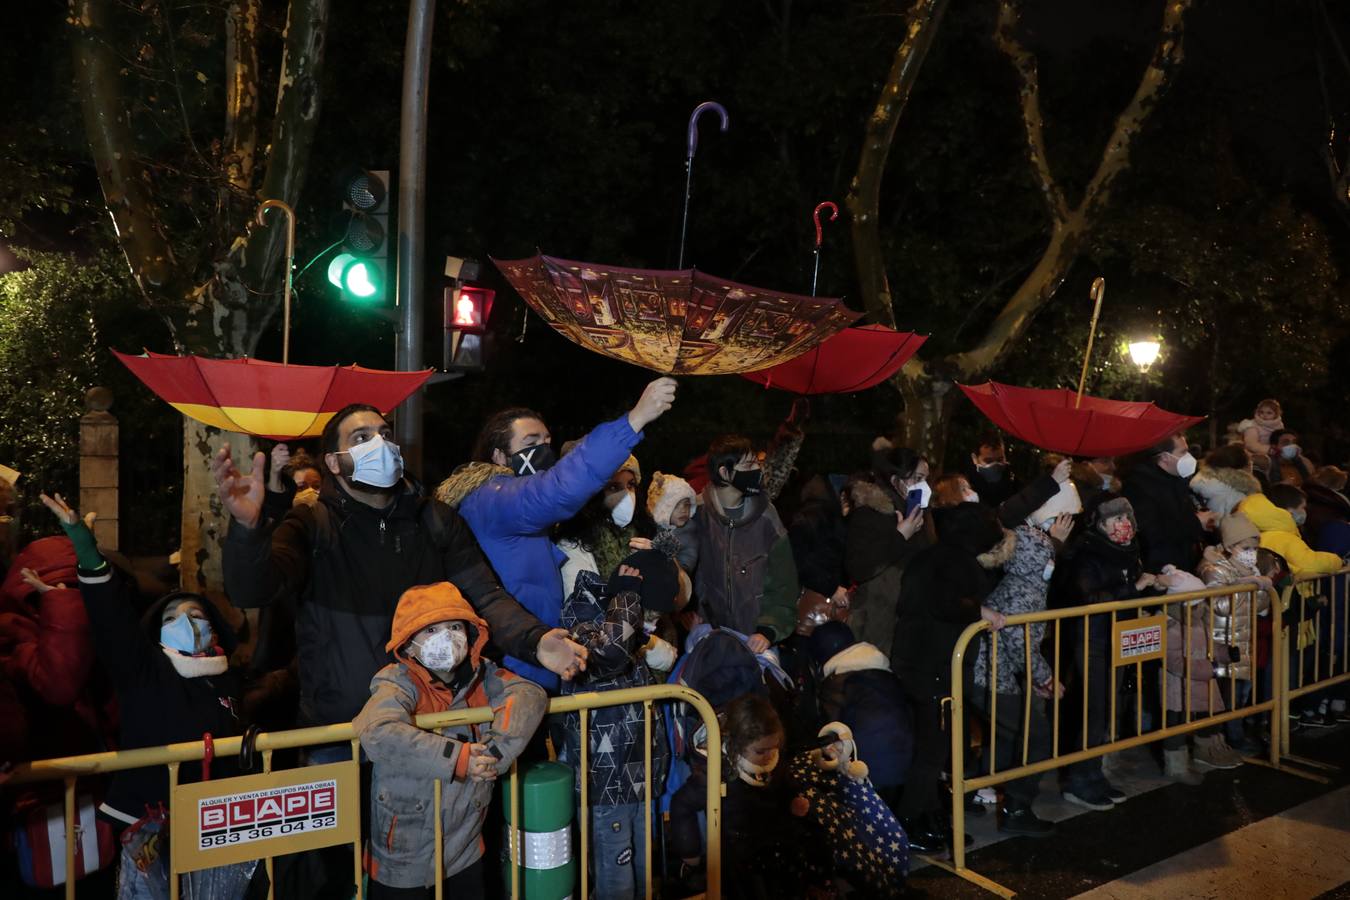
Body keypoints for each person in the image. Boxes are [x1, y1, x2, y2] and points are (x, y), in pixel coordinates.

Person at [216, 404, 584, 738]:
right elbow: (252, 591)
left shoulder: (434, 519)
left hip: (432, 724)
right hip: (342, 733)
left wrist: (536, 640)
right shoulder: (313, 524)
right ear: (333, 462)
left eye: (385, 434)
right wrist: (247, 531)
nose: (379, 443)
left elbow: (484, 597)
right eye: (361, 438)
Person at [37, 494, 246, 893]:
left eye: (196, 615)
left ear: (215, 629)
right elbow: (112, 619)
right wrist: (85, 548)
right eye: (172, 617)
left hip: (218, 822)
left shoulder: (228, 678)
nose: (185, 621)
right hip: (150, 824)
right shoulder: (145, 669)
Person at [435, 378, 676, 689]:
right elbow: (555, 490)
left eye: (547, 441)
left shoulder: (530, 512)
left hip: (539, 660)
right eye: (530, 442)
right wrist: (633, 420)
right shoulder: (491, 497)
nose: (543, 450)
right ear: (498, 456)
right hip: (509, 668)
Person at [354, 582, 546, 900]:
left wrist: (492, 755)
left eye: (455, 626)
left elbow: (529, 695)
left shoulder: (482, 676)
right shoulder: (397, 681)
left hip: (464, 850)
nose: (446, 637)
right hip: (403, 858)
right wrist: (459, 759)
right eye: (431, 630)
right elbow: (377, 730)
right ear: (409, 643)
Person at [891, 502, 1011, 851]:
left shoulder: (932, 557)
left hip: (918, 664)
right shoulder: (955, 562)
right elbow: (944, 603)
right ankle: (909, 826)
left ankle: (927, 819)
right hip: (934, 667)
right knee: (932, 750)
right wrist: (980, 610)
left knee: (931, 747)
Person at [558, 550, 676, 897]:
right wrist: (628, 597)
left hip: (637, 778)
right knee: (616, 882)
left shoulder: (625, 623)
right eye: (648, 611)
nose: (650, 621)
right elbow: (604, 657)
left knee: (643, 875)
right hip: (605, 782)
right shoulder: (582, 613)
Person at [669, 694, 827, 897]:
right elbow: (682, 804)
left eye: (774, 748)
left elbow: (785, 784)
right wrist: (690, 853)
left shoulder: (772, 759)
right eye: (761, 752)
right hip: (738, 851)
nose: (769, 756)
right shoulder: (717, 772)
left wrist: (793, 801)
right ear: (736, 746)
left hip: (778, 841)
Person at [1057, 496, 1155, 809]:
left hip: (1117, 636)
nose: (1123, 525)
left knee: (1106, 708)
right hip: (1093, 637)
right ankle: (1078, 779)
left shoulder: (1129, 551)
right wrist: (1135, 588)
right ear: (1099, 524)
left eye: (1126, 517)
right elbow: (1089, 596)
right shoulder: (1086, 552)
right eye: (1114, 519)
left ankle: (1093, 773)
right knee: (1092, 710)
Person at [972, 514, 1065, 835]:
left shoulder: (1020, 584)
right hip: (989, 676)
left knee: (1008, 734)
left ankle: (972, 787)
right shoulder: (1026, 591)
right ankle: (1017, 808)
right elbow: (1020, 642)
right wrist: (1046, 678)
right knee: (1036, 737)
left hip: (989, 675)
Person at [694, 435, 799, 651]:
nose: (758, 470)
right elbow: (684, 570)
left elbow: (783, 585)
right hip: (710, 637)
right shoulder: (698, 515)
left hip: (755, 640)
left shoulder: (767, 518)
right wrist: (686, 612)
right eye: (749, 464)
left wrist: (769, 629)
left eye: (757, 463)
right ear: (724, 472)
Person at [807, 621, 914, 813]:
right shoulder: (885, 673)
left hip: (867, 774)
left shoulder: (837, 682)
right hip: (907, 768)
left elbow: (829, 734)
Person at [1159, 566, 1245, 780]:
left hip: (1202, 682)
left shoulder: (1198, 622)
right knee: (1176, 725)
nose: (1203, 607)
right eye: (1197, 604)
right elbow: (1175, 661)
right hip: (1177, 688)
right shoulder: (1170, 627)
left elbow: (1209, 647)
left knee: (1209, 714)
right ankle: (1176, 766)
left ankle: (1207, 750)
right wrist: (1211, 669)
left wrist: (1225, 653)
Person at [1198, 513, 1273, 753]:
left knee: (1240, 693)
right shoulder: (1213, 568)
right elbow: (1219, 605)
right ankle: (1225, 738)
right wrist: (1249, 586)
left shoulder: (1249, 568)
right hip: (1220, 641)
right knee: (1222, 695)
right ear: (1230, 546)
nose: (1252, 552)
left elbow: (1261, 607)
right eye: (1247, 547)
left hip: (1242, 639)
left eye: (1255, 547)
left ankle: (1234, 734)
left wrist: (1259, 587)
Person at [842, 473, 924, 657]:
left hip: (904, 626)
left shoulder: (920, 518)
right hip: (874, 626)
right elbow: (859, 567)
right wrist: (900, 536)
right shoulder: (869, 515)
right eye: (917, 478)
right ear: (897, 480)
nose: (923, 485)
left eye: (925, 478)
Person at [1121, 432, 1208, 574]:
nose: (1189, 457)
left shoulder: (1177, 479)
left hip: (1184, 563)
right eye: (1183, 452)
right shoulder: (1139, 486)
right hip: (1161, 570)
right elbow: (1151, 532)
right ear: (1165, 457)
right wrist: (1196, 522)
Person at [1238, 483, 1345, 577]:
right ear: (1289, 511)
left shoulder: (1258, 533)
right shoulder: (1286, 538)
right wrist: (1338, 561)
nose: (1305, 512)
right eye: (1302, 507)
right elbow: (1310, 562)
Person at [646, 470, 699, 572]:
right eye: (675, 505)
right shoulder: (648, 527)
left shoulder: (687, 533)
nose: (683, 510)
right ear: (662, 508)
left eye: (687, 504)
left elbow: (688, 562)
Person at [1190, 446, 1263, 518]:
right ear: (1242, 469)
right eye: (1249, 463)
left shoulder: (1204, 479)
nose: (1251, 466)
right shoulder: (1235, 496)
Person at [963, 430, 1022, 509]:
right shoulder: (965, 490)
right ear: (975, 459)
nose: (995, 466)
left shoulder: (1015, 485)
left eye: (999, 460)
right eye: (988, 461)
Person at [1238, 399, 1284, 465]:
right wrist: (1269, 450)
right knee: (1272, 464)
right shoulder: (1252, 426)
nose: (1265, 415)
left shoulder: (1279, 425)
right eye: (1262, 412)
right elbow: (1251, 444)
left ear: (1276, 414)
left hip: (1275, 453)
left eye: (1269, 413)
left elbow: (1281, 440)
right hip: (1254, 455)